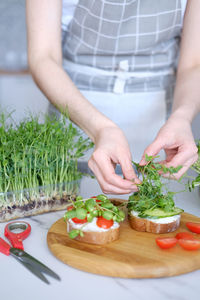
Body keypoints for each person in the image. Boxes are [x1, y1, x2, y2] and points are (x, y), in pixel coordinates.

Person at [26, 0, 199, 195]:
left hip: (159, 117)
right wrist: (101, 128)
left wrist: (182, 117)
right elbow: (43, 57)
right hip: (76, 109)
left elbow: (194, 63)